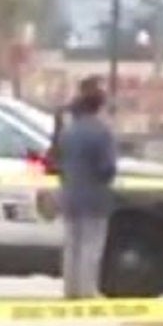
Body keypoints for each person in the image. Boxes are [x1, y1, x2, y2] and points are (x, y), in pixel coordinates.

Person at [53, 77, 119, 298]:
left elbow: (57, 162)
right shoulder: (102, 132)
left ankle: (70, 290)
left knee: (71, 246)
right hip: (95, 197)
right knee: (91, 247)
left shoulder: (68, 132)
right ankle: (86, 291)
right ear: (98, 106)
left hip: (70, 194)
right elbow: (107, 167)